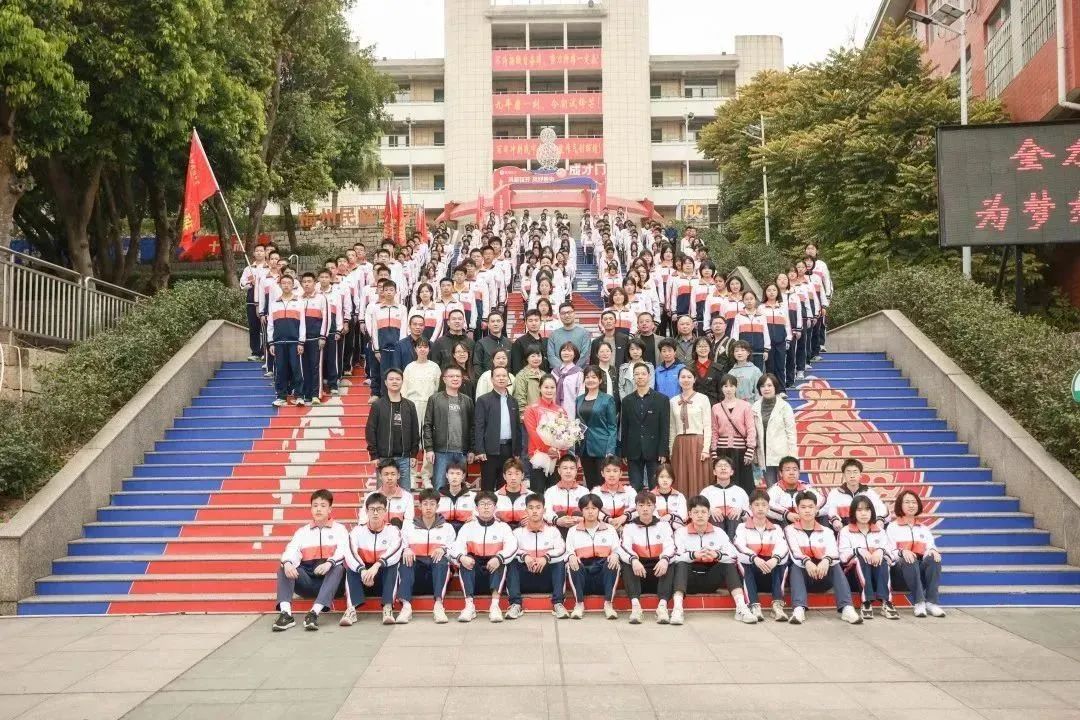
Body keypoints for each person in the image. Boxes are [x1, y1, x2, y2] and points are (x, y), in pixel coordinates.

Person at [671, 495, 758, 626]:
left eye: (703, 512)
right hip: (688, 580)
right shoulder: (681, 532)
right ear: (690, 514)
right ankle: (677, 609)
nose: (700, 515)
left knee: (727, 565)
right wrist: (694, 555)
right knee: (681, 564)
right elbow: (675, 557)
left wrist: (716, 555)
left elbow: (733, 555)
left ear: (708, 513)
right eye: (696, 512)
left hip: (711, 579)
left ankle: (741, 607)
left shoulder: (719, 532)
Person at [272, 489, 347, 632]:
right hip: (308, 583)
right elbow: (291, 550)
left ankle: (314, 613)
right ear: (311, 508)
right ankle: (286, 614)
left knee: (338, 568)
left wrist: (329, 563)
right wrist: (287, 563)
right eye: (315, 505)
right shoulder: (302, 532)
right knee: (284, 566)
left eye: (323, 505)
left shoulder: (340, 529)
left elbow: (343, 551)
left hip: (332, 585)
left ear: (330, 509)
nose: (318, 509)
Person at [784, 491, 862, 625]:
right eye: (803, 507)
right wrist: (807, 561)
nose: (807, 510)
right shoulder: (790, 530)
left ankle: (847, 608)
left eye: (810, 507)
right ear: (797, 510)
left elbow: (834, 553)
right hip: (804, 577)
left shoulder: (827, 531)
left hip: (823, 576)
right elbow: (795, 553)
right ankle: (798, 609)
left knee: (834, 565)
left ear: (816, 509)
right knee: (795, 566)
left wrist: (825, 560)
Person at [450, 490, 519, 623]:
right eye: (482, 504)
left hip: (493, 574)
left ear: (495, 507)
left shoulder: (503, 527)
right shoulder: (467, 527)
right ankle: (469, 606)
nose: (486, 507)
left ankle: (494, 606)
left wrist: (498, 558)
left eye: (489, 504)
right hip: (475, 575)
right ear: (476, 508)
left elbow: (512, 546)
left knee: (501, 560)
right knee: (466, 560)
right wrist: (461, 557)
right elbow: (455, 548)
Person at [342, 492, 404, 626]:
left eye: (379, 509)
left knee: (392, 565)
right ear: (366, 511)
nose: (375, 513)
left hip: (382, 577)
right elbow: (350, 553)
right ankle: (351, 609)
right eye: (372, 509)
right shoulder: (357, 531)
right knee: (350, 565)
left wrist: (376, 566)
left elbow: (395, 552)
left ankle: (387, 607)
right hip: (363, 577)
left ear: (385, 511)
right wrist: (363, 571)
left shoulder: (393, 530)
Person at [398, 488, 456, 624]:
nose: (428, 507)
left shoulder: (447, 528)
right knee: (406, 560)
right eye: (425, 504)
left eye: (432, 504)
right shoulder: (408, 527)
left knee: (441, 559)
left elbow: (455, 549)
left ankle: (438, 605)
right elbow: (399, 545)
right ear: (419, 506)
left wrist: (444, 549)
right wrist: (405, 549)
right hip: (416, 577)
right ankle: (406, 606)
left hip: (437, 577)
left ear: (437, 506)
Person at [618, 491, 677, 624]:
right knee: (627, 563)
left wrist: (664, 559)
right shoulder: (629, 527)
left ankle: (662, 607)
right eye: (641, 505)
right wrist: (633, 560)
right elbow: (623, 548)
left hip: (658, 571)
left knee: (670, 563)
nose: (645, 508)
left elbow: (671, 547)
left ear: (654, 507)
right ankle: (636, 607)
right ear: (636, 507)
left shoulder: (664, 525)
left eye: (649, 505)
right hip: (639, 573)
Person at [509, 493, 569, 619]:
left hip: (546, 579)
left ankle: (558, 603)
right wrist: (525, 556)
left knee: (559, 562)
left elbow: (562, 550)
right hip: (525, 579)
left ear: (544, 510)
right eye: (531, 508)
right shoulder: (517, 532)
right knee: (511, 562)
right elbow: (510, 550)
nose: (534, 511)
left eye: (538, 507)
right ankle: (515, 604)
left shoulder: (553, 531)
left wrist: (545, 558)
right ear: (526, 511)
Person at [734, 489, 791, 622]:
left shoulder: (776, 528)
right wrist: (755, 559)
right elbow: (739, 547)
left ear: (768, 507)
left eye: (764, 505)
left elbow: (783, 548)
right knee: (745, 564)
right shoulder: (742, 527)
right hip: (751, 574)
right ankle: (754, 606)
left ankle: (777, 606)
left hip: (771, 574)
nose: (760, 508)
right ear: (750, 507)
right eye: (756, 505)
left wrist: (774, 560)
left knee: (781, 564)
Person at [839, 496, 900, 620]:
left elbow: (892, 557)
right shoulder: (845, 531)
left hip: (878, 575)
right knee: (860, 559)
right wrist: (859, 551)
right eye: (859, 510)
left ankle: (886, 603)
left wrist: (880, 551)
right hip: (854, 577)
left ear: (872, 512)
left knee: (882, 559)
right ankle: (866, 602)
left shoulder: (880, 531)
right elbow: (843, 558)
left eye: (867, 510)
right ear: (853, 512)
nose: (863, 513)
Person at [888, 490, 946, 618]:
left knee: (934, 558)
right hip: (899, 574)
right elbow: (888, 553)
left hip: (919, 574)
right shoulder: (892, 528)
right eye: (907, 502)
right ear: (900, 505)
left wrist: (932, 551)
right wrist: (902, 552)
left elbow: (931, 547)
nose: (911, 505)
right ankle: (919, 602)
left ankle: (931, 603)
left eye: (914, 502)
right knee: (908, 558)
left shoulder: (924, 529)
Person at [565, 494, 622, 619]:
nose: (590, 512)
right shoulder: (573, 531)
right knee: (572, 563)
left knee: (613, 562)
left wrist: (615, 555)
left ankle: (608, 604)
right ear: (581, 511)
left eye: (594, 508)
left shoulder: (610, 529)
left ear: (599, 510)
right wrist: (571, 556)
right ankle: (579, 604)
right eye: (586, 508)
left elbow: (617, 549)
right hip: (584, 576)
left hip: (603, 575)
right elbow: (568, 550)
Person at [364, 368, 420, 489]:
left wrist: (414, 454)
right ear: (385, 382)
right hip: (384, 458)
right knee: (383, 497)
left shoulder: (409, 405)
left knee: (405, 494)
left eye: (398, 379)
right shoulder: (378, 405)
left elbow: (415, 431)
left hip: (404, 458)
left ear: (402, 381)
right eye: (391, 379)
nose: (394, 381)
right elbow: (370, 430)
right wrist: (374, 455)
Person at [423, 365, 475, 491]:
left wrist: (472, 449)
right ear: (444, 379)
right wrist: (429, 448)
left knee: (459, 489)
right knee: (439, 487)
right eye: (451, 376)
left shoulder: (467, 401)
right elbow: (427, 425)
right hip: (441, 451)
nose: (455, 379)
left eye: (458, 376)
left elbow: (472, 427)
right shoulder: (435, 399)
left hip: (461, 452)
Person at [620, 362, 670, 491]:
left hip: (654, 450)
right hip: (633, 449)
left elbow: (664, 427)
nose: (640, 377)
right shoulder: (627, 401)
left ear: (649, 376)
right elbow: (624, 428)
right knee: (635, 486)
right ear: (633, 377)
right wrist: (624, 451)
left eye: (643, 374)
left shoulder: (662, 399)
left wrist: (663, 450)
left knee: (655, 486)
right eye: (636, 374)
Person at [474, 366, 522, 492]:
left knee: (504, 488)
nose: (501, 378)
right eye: (498, 376)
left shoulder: (513, 402)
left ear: (508, 378)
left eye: (504, 376)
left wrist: (517, 450)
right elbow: (479, 426)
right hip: (489, 451)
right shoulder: (483, 400)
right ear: (492, 379)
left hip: (508, 450)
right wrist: (479, 450)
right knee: (487, 487)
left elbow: (517, 427)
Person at [668, 367, 713, 498]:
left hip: (697, 443)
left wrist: (706, 449)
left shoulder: (703, 398)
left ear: (694, 379)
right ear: (678, 380)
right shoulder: (672, 401)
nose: (686, 380)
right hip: (680, 444)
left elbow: (708, 425)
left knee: (698, 477)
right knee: (680, 477)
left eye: (689, 377)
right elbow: (672, 427)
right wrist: (671, 450)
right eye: (683, 377)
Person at [402, 338, 441, 486]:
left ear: (429, 349)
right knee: (413, 441)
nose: (423, 349)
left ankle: (426, 476)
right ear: (415, 349)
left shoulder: (435, 367)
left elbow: (437, 388)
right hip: (412, 405)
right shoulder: (409, 367)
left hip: (430, 405)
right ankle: (412, 476)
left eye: (425, 347)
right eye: (420, 347)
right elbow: (404, 390)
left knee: (428, 441)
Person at [712, 375, 757, 495]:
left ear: (736, 387)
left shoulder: (745, 406)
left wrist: (750, 450)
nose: (728, 389)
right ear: (721, 388)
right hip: (723, 450)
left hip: (741, 450)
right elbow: (715, 431)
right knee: (724, 481)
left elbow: (751, 429)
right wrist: (713, 451)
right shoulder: (716, 408)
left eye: (731, 386)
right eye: (725, 386)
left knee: (744, 482)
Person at [752, 373, 798, 488]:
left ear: (775, 387)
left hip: (782, 454)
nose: (766, 389)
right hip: (764, 454)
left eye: (769, 385)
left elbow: (791, 433)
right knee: (771, 489)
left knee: (787, 487)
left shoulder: (784, 406)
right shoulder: (754, 407)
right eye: (762, 386)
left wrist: (792, 456)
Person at [364, 279, 408, 398]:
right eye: (386, 290)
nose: (388, 292)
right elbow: (374, 330)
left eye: (391, 290)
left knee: (397, 373)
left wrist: (401, 347)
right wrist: (376, 349)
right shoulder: (376, 309)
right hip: (382, 348)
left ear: (396, 292)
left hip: (397, 348)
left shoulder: (402, 309)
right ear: (382, 292)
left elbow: (404, 329)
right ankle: (383, 397)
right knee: (383, 374)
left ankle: (398, 396)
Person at [267, 274, 305, 407]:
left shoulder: (299, 302)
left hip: (294, 342)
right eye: (284, 283)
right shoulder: (273, 304)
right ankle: (281, 396)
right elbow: (270, 325)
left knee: (296, 369)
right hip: (278, 343)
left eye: (289, 283)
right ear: (280, 285)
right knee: (280, 370)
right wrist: (270, 342)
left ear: (293, 285)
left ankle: (299, 396)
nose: (286, 285)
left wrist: (301, 341)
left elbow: (302, 324)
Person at [523, 376, 568, 488]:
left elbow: (566, 435)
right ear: (539, 388)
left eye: (552, 387)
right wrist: (548, 450)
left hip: (556, 459)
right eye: (546, 387)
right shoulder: (531, 409)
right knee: (537, 495)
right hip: (538, 457)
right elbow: (533, 433)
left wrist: (559, 452)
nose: (549, 390)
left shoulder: (561, 411)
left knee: (554, 494)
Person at [576, 367, 618, 488]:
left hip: (602, 447)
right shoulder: (579, 400)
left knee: (602, 484)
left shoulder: (607, 399)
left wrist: (610, 450)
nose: (590, 380)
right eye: (587, 377)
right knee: (590, 483)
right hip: (584, 448)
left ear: (600, 380)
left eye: (594, 377)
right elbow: (577, 425)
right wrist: (577, 450)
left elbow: (612, 426)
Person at [824, 458, 889, 531]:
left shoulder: (869, 492)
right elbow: (830, 510)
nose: (852, 476)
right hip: (843, 531)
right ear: (843, 475)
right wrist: (835, 520)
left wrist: (880, 520)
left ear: (860, 474)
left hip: (866, 531)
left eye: (855, 472)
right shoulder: (835, 493)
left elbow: (881, 508)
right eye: (848, 472)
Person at [298, 272, 329, 405]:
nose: (306, 284)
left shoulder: (321, 298)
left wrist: (323, 336)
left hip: (316, 338)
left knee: (316, 366)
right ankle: (307, 393)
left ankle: (316, 394)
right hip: (302, 340)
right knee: (304, 367)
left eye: (309, 281)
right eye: (304, 281)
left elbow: (326, 318)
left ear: (314, 283)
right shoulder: (298, 299)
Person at [701, 457, 751, 538]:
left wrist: (741, 511)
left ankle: (733, 546)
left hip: (735, 527)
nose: (723, 468)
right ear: (714, 472)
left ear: (731, 472)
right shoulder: (706, 492)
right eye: (719, 466)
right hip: (713, 529)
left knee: (734, 516)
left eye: (726, 466)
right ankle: (718, 548)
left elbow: (751, 514)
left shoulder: (740, 491)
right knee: (715, 516)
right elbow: (698, 513)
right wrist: (709, 511)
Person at [359, 459, 416, 528]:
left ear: (398, 475)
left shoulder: (407, 497)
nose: (389, 478)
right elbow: (363, 521)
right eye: (386, 474)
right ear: (380, 476)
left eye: (393, 474)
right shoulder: (371, 496)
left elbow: (408, 523)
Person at [766, 456, 822, 526]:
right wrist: (787, 514)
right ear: (780, 473)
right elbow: (766, 506)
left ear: (799, 472)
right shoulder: (775, 489)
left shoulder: (807, 487)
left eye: (795, 469)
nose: (791, 473)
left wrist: (809, 512)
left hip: (805, 525)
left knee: (823, 517)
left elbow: (823, 501)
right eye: (787, 470)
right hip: (782, 526)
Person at [543, 455, 589, 532]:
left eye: (572, 468)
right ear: (559, 471)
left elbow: (590, 512)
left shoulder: (584, 491)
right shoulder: (550, 491)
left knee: (578, 513)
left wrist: (581, 519)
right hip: (556, 530)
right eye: (565, 468)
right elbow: (546, 512)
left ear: (576, 471)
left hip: (578, 530)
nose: (568, 471)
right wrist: (557, 520)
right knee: (560, 514)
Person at [241, 245, 270, 361]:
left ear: (265, 253)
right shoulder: (248, 269)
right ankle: (255, 352)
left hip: (265, 302)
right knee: (254, 328)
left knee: (266, 327)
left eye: (261, 251)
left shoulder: (269, 269)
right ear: (253, 253)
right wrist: (250, 282)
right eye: (256, 251)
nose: (259, 253)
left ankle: (265, 351)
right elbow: (242, 285)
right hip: (251, 302)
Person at [760, 282, 792, 388]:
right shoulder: (761, 308)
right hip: (768, 342)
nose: (771, 292)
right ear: (765, 292)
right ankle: (771, 389)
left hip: (781, 341)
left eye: (774, 290)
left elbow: (787, 324)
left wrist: (788, 338)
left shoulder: (783, 307)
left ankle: (782, 389)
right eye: (769, 290)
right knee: (770, 367)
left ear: (777, 292)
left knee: (780, 366)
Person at [593, 456, 636, 527]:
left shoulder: (630, 491)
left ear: (621, 473)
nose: (611, 475)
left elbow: (637, 510)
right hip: (603, 529)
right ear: (602, 473)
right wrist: (608, 520)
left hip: (627, 528)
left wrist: (624, 517)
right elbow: (592, 511)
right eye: (608, 471)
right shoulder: (596, 492)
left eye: (615, 471)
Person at [547, 303, 591, 370]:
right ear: (559, 316)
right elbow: (551, 355)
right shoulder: (553, 334)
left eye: (569, 312)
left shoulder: (584, 333)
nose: (566, 315)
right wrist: (563, 369)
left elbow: (585, 355)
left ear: (574, 313)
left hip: (579, 373)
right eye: (563, 313)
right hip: (558, 374)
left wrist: (573, 369)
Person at [437, 462, 476, 531]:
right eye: (451, 473)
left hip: (466, 531)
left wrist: (475, 518)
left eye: (458, 474)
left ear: (463, 476)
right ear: (446, 475)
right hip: (443, 531)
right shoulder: (437, 496)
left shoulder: (473, 496)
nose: (454, 477)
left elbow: (477, 517)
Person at [511, 309, 550, 374]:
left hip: (545, 380)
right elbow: (516, 368)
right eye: (530, 320)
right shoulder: (519, 342)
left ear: (541, 322)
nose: (533, 323)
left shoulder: (546, 342)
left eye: (536, 320)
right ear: (525, 323)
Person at [552, 342, 585, 419]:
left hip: (571, 409)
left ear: (575, 354)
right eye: (563, 350)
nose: (566, 353)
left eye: (569, 351)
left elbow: (580, 394)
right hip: (554, 410)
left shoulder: (578, 373)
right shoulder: (554, 372)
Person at [690, 336, 724, 406]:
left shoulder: (718, 368)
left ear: (710, 349)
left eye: (705, 346)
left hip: (713, 406)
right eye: (699, 346)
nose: (703, 349)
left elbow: (721, 392)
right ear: (695, 349)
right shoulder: (689, 368)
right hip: (694, 406)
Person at [495, 458, 530, 526]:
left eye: (517, 474)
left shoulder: (531, 496)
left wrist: (532, 520)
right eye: (510, 474)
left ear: (522, 476)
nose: (513, 478)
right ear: (504, 476)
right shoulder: (495, 497)